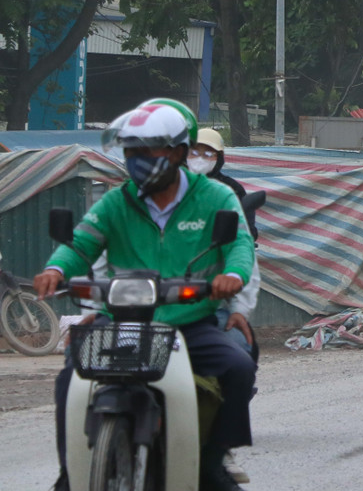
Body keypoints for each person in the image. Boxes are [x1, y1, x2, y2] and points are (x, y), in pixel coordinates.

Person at [33, 100, 256, 491]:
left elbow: (239, 245)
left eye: (147, 150)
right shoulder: (117, 201)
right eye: (131, 151)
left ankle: (213, 460)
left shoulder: (216, 198)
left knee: (238, 368)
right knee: (69, 377)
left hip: (189, 323)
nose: (137, 160)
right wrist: (55, 269)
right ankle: (70, 474)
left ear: (178, 152)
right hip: (123, 321)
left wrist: (233, 276)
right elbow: (82, 243)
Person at [185, 125, 261, 485]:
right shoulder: (132, 198)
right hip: (144, 308)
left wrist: (237, 308)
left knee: (239, 360)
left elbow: (244, 254)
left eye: (207, 152)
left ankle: (218, 450)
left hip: (203, 307)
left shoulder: (225, 196)